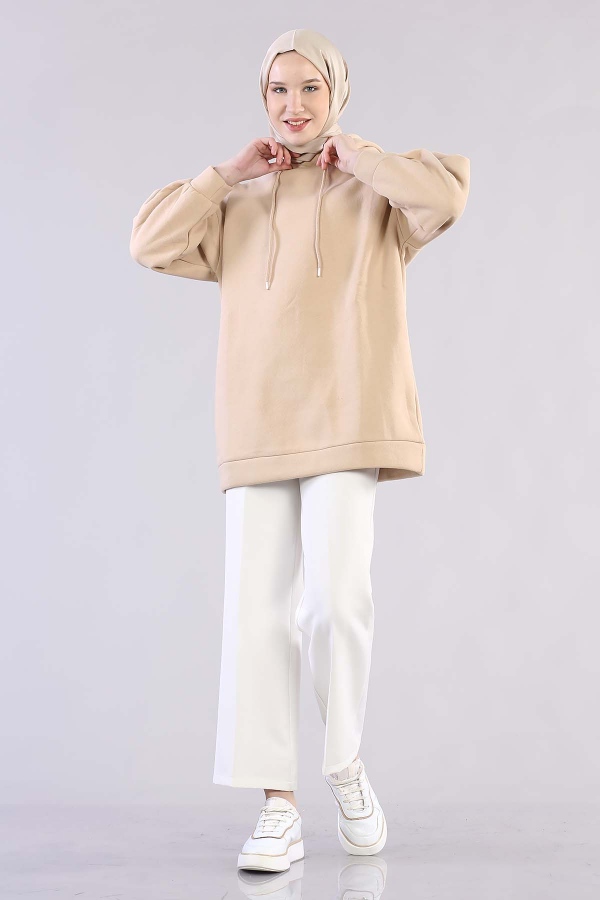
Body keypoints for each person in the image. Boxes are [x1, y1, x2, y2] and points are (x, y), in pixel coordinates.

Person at [130, 27, 470, 873]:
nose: (293, 104)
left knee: (335, 604)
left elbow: (445, 199)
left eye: (310, 88)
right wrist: (226, 174)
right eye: (278, 89)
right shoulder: (238, 201)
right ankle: (276, 807)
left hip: (348, 415)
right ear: (263, 99)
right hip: (256, 424)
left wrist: (361, 160)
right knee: (257, 614)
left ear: (337, 94)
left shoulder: (378, 190)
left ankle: (343, 764)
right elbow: (149, 242)